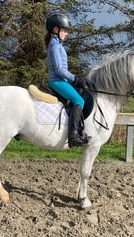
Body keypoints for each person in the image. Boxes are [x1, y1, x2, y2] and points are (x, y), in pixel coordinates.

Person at [44, 13, 88, 147]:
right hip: (57, 81)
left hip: (62, 81)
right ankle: (73, 137)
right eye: (64, 30)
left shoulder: (55, 44)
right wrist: (75, 79)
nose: (66, 33)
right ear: (55, 30)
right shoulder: (55, 46)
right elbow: (59, 69)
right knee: (79, 100)